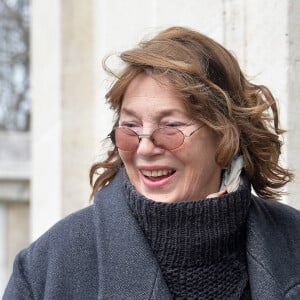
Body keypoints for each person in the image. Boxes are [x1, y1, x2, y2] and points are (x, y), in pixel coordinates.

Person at [3, 26, 300, 300]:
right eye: (130, 127)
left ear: (226, 133)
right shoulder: (47, 267)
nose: (145, 148)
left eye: (170, 126)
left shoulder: (293, 240)